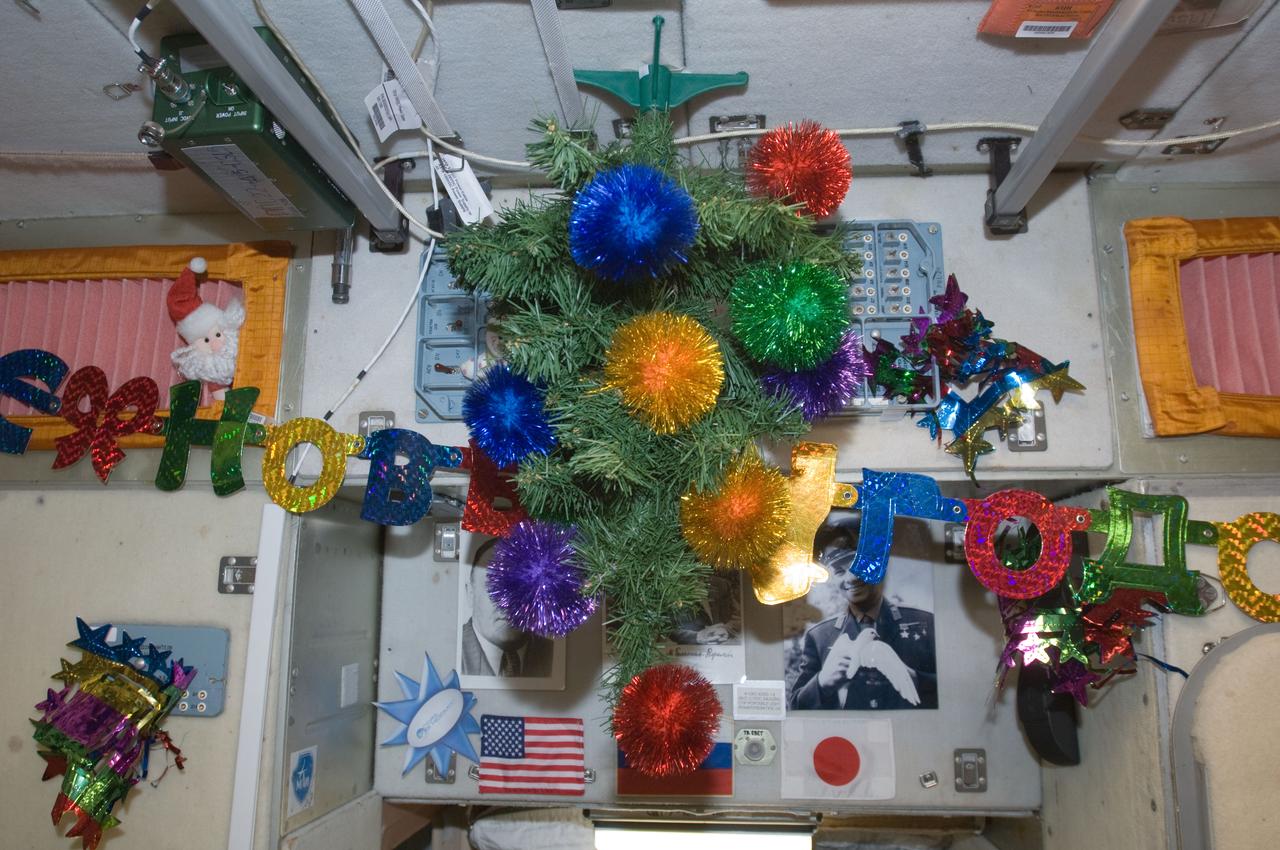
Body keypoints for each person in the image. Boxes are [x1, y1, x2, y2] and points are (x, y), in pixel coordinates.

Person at [789, 525, 937, 710]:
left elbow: (955, 690)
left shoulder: (924, 623)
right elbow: (795, 707)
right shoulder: (819, 636)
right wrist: (821, 683)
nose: (851, 578)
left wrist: (913, 678)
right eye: (839, 572)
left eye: (860, 566)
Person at [460, 540, 554, 678]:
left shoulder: (551, 654)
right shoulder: (449, 650)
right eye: (495, 589)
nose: (507, 603)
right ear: (470, 593)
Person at [167, 257, 245, 397]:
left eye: (217, 334)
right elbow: (221, 396)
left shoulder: (241, 341)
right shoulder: (214, 371)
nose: (215, 343)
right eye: (206, 341)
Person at [670, 573, 741, 645]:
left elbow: (739, 616)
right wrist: (697, 636)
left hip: (726, 646)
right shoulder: (671, 587)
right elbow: (667, 628)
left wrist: (726, 629)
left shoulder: (721, 584)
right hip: (692, 649)